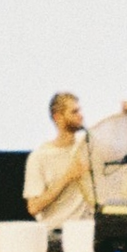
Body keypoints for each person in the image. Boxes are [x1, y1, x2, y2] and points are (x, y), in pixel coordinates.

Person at [22, 91, 96, 226]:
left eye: (79, 111)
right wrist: (67, 177)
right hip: (56, 230)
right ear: (58, 117)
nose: (81, 116)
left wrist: (126, 115)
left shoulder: (87, 148)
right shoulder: (40, 156)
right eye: (74, 112)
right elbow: (33, 207)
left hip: (86, 229)